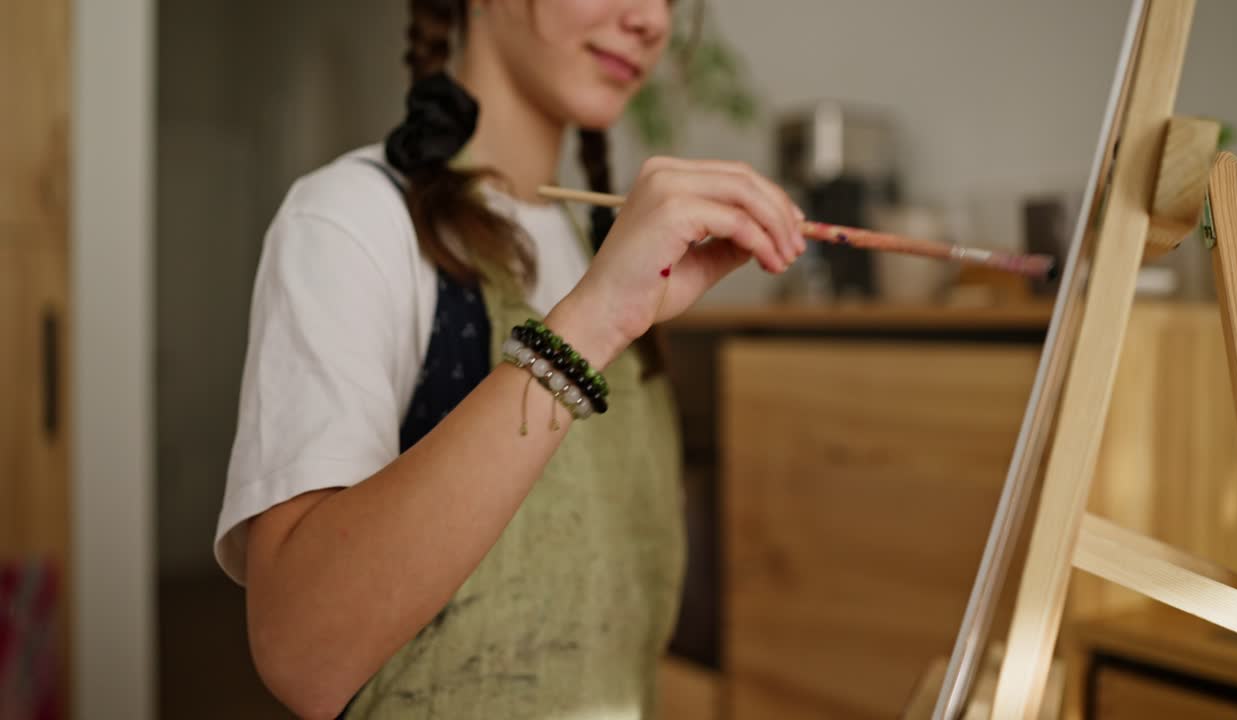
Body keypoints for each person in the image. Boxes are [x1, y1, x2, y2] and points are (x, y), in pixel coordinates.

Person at [213, 0, 806, 717]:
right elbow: (302, 654)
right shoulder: (351, 221)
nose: (652, 19)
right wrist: (592, 321)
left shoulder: (603, 250)